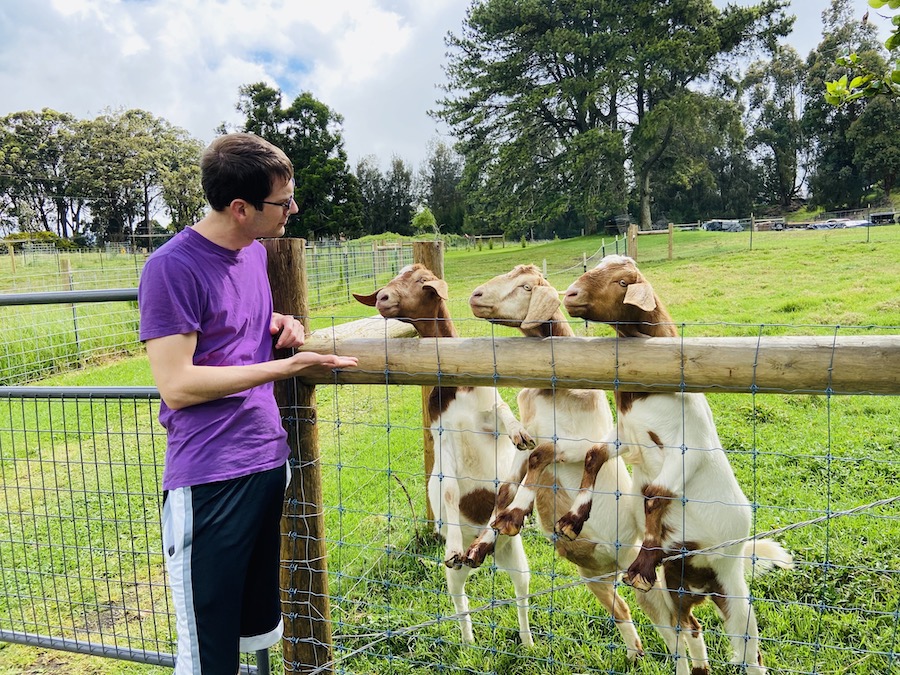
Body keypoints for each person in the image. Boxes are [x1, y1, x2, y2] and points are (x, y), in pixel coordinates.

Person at [138, 132, 358, 674]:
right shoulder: (171, 269)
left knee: (254, 632)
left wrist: (280, 324)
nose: (294, 209)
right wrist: (287, 366)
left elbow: (234, 332)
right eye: (283, 202)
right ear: (241, 208)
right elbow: (179, 384)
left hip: (266, 465)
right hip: (211, 480)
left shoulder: (254, 253)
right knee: (207, 652)